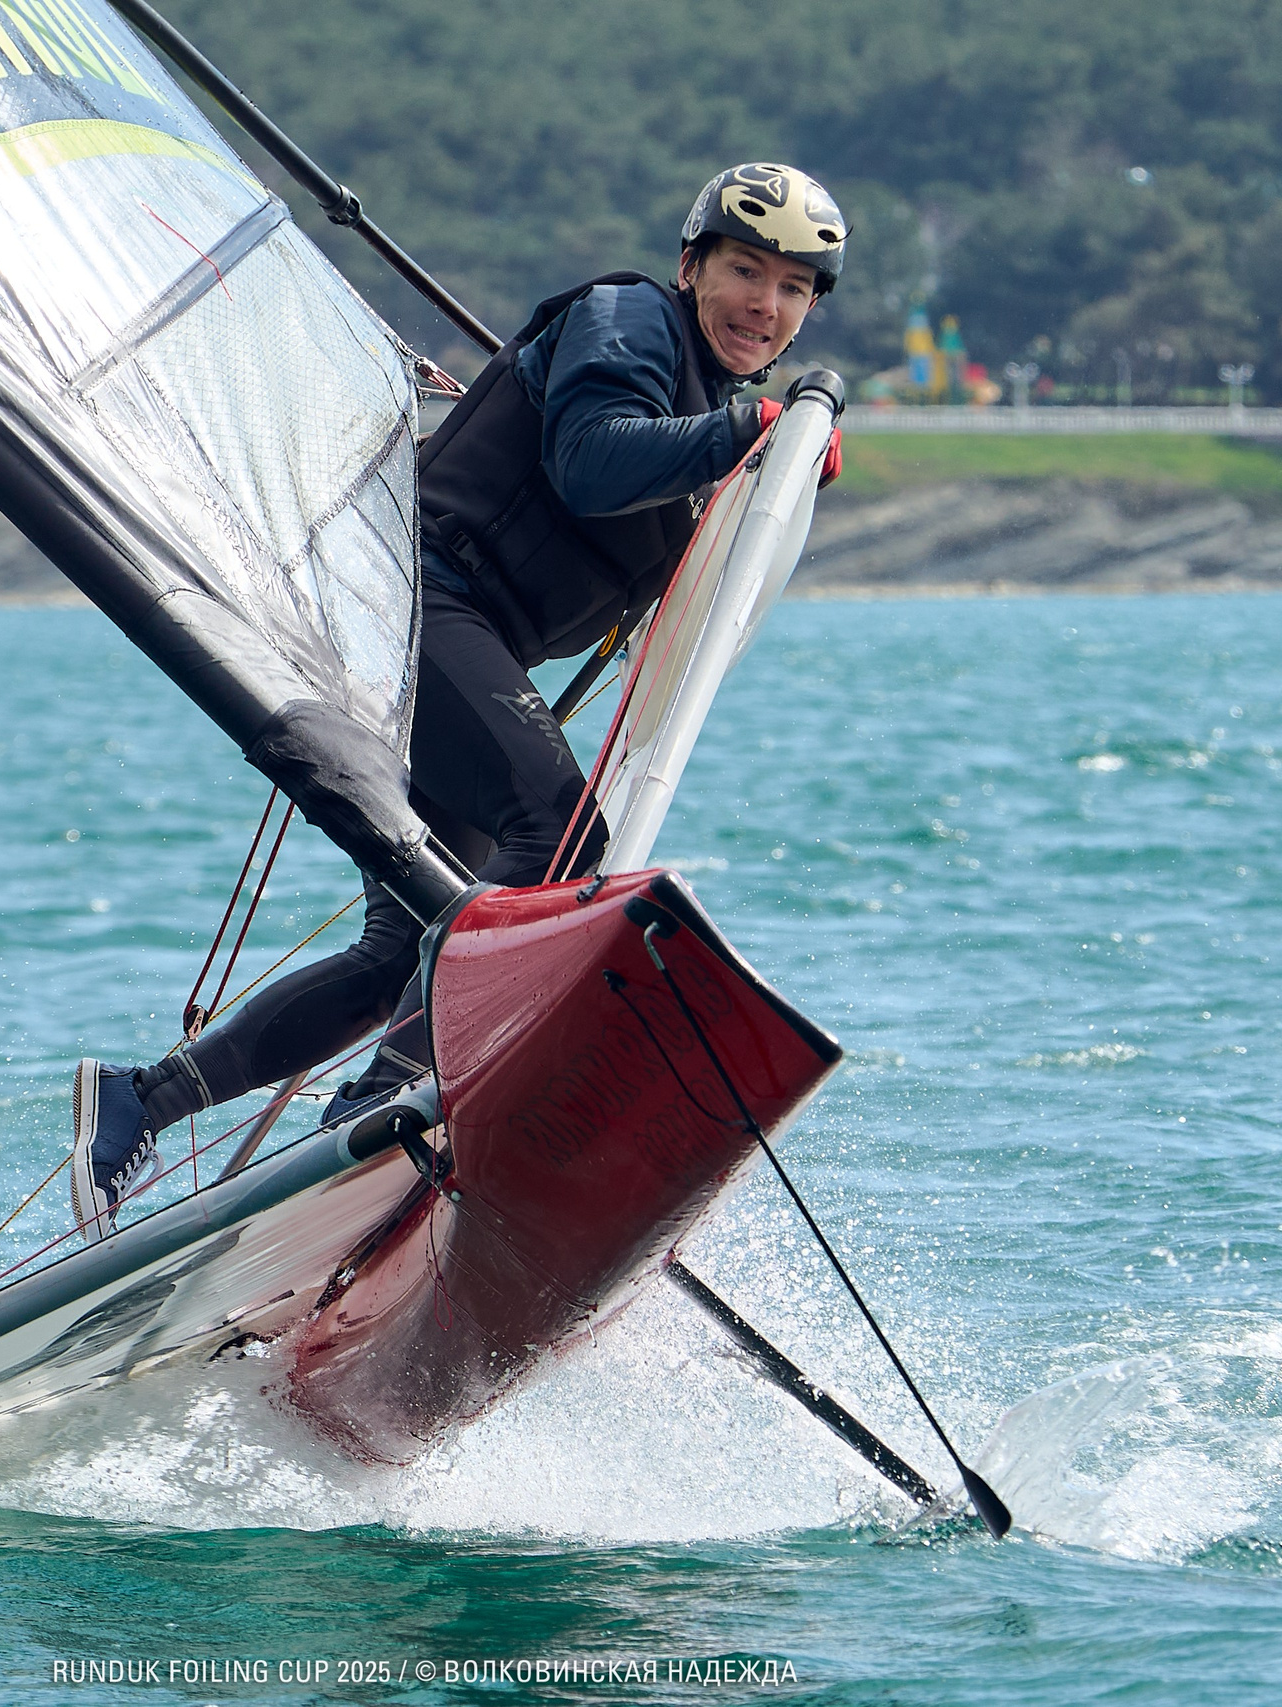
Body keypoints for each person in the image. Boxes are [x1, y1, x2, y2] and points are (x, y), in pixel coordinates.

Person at [68, 162, 847, 1240]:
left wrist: (755, 453)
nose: (765, 305)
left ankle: (139, 1101)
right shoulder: (624, 322)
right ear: (690, 267)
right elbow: (583, 465)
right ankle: (381, 1108)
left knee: (407, 941)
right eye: (744, 270)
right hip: (421, 607)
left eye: (793, 289)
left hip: (462, 642)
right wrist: (750, 429)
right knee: (562, 836)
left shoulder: (697, 405)